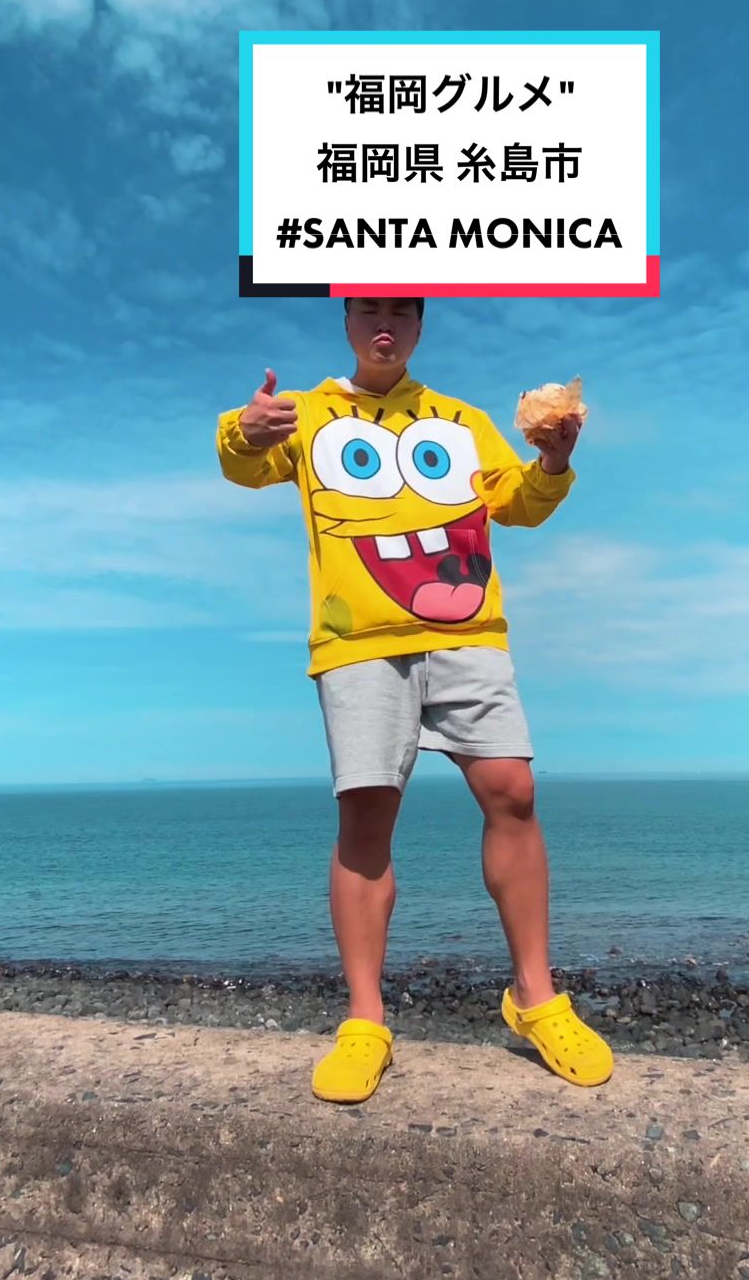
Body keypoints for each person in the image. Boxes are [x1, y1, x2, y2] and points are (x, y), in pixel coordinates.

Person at [216, 296, 613, 1102]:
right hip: (358, 643)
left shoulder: (462, 421)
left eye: (402, 311)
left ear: (421, 326)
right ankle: (366, 1021)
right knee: (366, 816)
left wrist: (553, 464)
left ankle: (535, 999)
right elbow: (243, 461)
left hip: (469, 632)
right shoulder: (309, 412)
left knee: (513, 791)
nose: (385, 323)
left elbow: (518, 504)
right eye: (369, 309)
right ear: (347, 322)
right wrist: (244, 429)